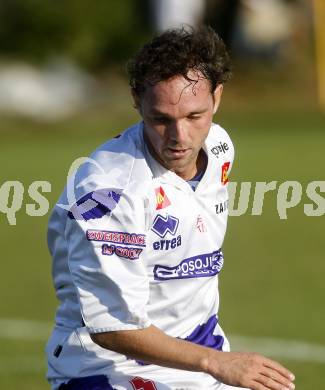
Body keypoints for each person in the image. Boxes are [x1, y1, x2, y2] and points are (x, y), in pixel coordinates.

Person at [46, 26, 295, 390]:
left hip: (200, 350)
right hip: (108, 367)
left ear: (217, 98)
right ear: (137, 101)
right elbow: (114, 328)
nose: (180, 138)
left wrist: (211, 359)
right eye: (161, 119)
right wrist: (216, 363)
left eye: (195, 116)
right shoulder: (108, 192)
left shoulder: (220, 146)